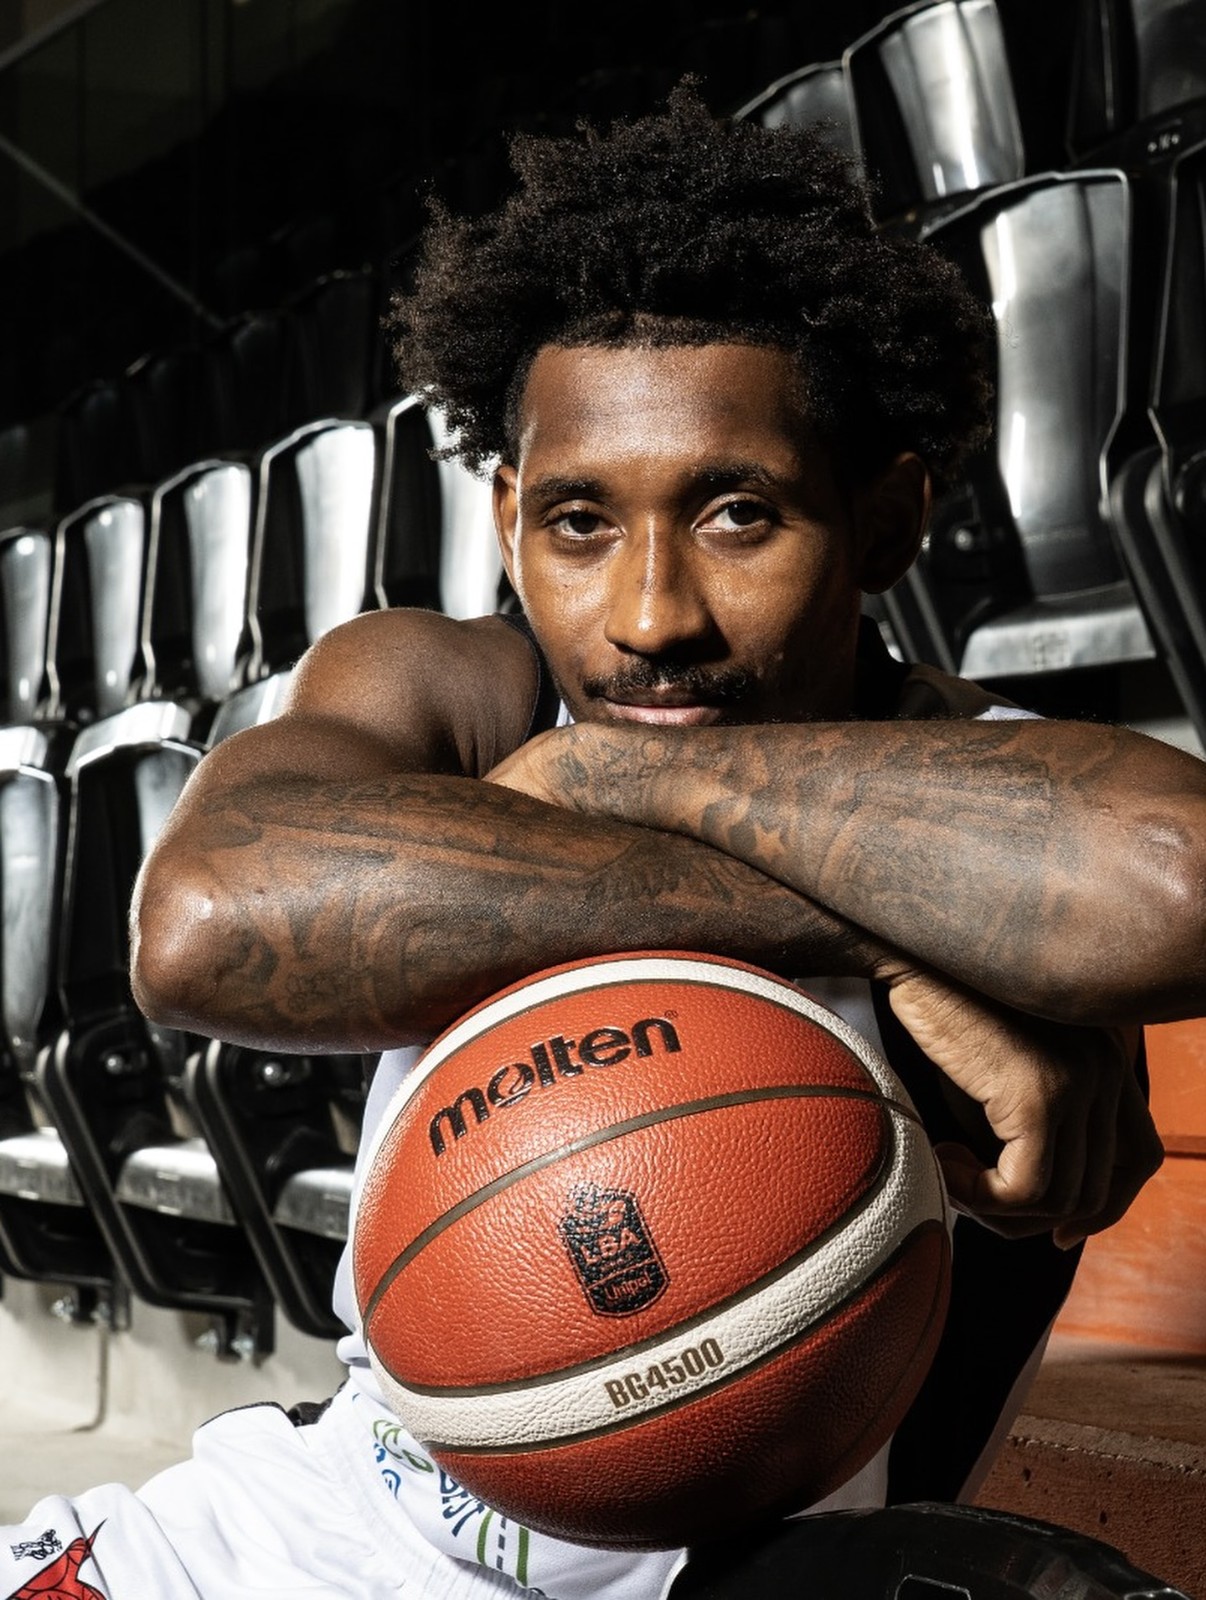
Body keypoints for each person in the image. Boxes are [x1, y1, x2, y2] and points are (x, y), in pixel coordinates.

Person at [2, 85, 1201, 1600]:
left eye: (737, 515)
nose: (648, 616)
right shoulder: (449, 692)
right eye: (578, 524)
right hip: (306, 1542)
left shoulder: (994, 784)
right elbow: (203, 924)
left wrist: (602, 776)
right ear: (508, 520)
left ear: (889, 520)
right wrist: (883, 938)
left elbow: (1177, 883)